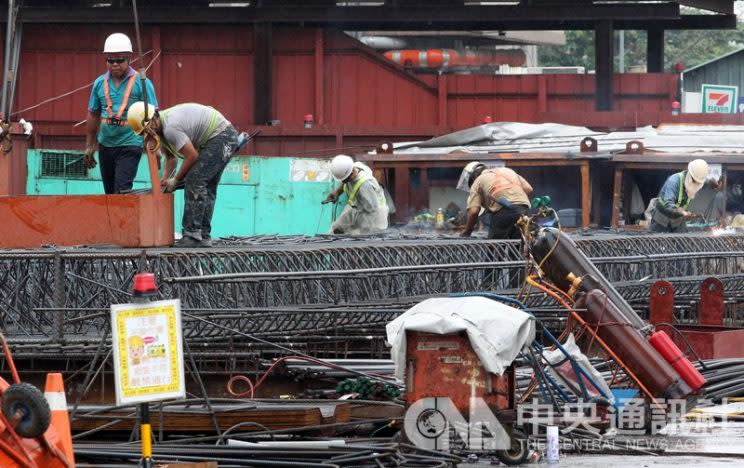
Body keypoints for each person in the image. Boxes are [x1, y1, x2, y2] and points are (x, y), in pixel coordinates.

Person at [127, 101, 238, 247]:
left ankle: (192, 235)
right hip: (224, 136)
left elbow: (192, 155)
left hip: (222, 137)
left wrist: (176, 180)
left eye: (145, 131)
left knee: (195, 180)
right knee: (207, 186)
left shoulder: (170, 128)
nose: (146, 136)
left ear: (151, 122)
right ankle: (203, 236)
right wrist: (166, 179)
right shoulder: (163, 129)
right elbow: (171, 158)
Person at [85, 33, 158, 194]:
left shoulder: (142, 83)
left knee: (122, 191)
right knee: (110, 194)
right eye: (110, 60)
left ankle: (124, 219)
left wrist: (156, 147)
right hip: (106, 145)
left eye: (120, 60)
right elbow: (93, 115)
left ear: (130, 58)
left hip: (130, 144)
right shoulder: (99, 84)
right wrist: (89, 146)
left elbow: (154, 115)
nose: (115, 65)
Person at [460, 162, 533, 239]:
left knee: (495, 247)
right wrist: (516, 203)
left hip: (503, 212)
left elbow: (474, 212)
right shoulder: (507, 170)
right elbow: (528, 189)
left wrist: (467, 232)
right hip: (524, 210)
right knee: (518, 246)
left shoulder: (478, 180)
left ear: (475, 176)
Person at [323, 154, 388, 234]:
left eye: (345, 180)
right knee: (336, 229)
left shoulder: (365, 186)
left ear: (350, 174)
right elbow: (345, 183)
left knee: (363, 237)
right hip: (356, 206)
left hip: (373, 213)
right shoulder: (355, 166)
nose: (343, 182)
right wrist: (337, 192)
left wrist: (357, 228)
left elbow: (372, 209)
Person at [651, 159, 712, 233]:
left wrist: (713, 183)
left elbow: (706, 182)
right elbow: (668, 205)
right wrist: (683, 212)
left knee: (682, 242)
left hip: (677, 222)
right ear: (690, 176)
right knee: (658, 242)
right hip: (661, 221)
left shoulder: (699, 180)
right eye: (694, 181)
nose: (696, 184)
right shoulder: (674, 181)